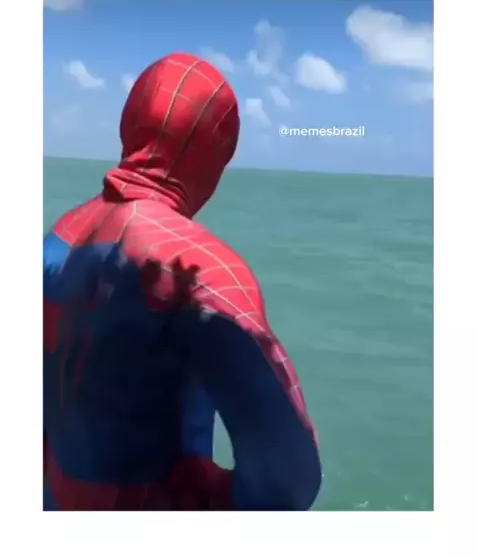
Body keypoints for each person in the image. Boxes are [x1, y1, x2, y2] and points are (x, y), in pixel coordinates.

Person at [43, 53, 322, 510]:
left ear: (129, 126)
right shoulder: (202, 271)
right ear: (216, 153)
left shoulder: (52, 243)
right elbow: (286, 482)